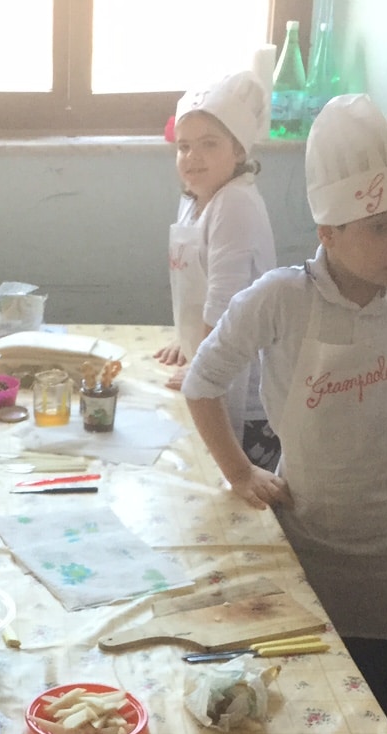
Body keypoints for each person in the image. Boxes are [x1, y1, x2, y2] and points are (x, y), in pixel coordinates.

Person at [183, 94, 387, 734]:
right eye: (379, 226)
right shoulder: (281, 298)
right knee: (305, 685)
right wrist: (240, 471)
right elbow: (202, 381)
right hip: (317, 529)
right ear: (329, 232)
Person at [155, 69, 280, 471]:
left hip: (248, 394)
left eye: (209, 144)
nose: (192, 157)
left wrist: (200, 367)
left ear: (239, 150)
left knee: (231, 484)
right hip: (210, 356)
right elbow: (197, 288)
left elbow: (225, 305)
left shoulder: (234, 205)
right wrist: (188, 340)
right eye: (184, 146)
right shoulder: (196, 198)